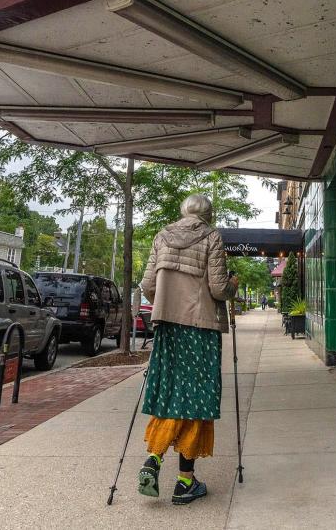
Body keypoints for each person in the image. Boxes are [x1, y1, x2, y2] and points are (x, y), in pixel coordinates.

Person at [136, 193, 237, 505]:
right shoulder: (212, 237)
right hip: (200, 327)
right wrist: (233, 284)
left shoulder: (162, 236)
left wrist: (168, 299)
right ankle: (185, 482)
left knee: (169, 391)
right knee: (196, 398)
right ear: (208, 214)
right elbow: (219, 288)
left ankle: (153, 457)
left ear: (183, 211)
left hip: (167, 325)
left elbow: (148, 285)